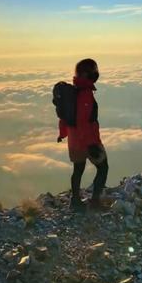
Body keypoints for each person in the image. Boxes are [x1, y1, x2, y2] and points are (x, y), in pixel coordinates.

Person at [57, 58, 109, 212]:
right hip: (88, 141)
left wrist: (63, 134)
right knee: (103, 168)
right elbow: (83, 123)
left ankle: (75, 201)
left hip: (74, 140)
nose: (96, 73)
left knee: (78, 170)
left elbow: (65, 118)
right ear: (87, 74)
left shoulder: (73, 92)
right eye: (93, 70)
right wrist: (91, 145)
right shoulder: (85, 94)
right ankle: (95, 202)